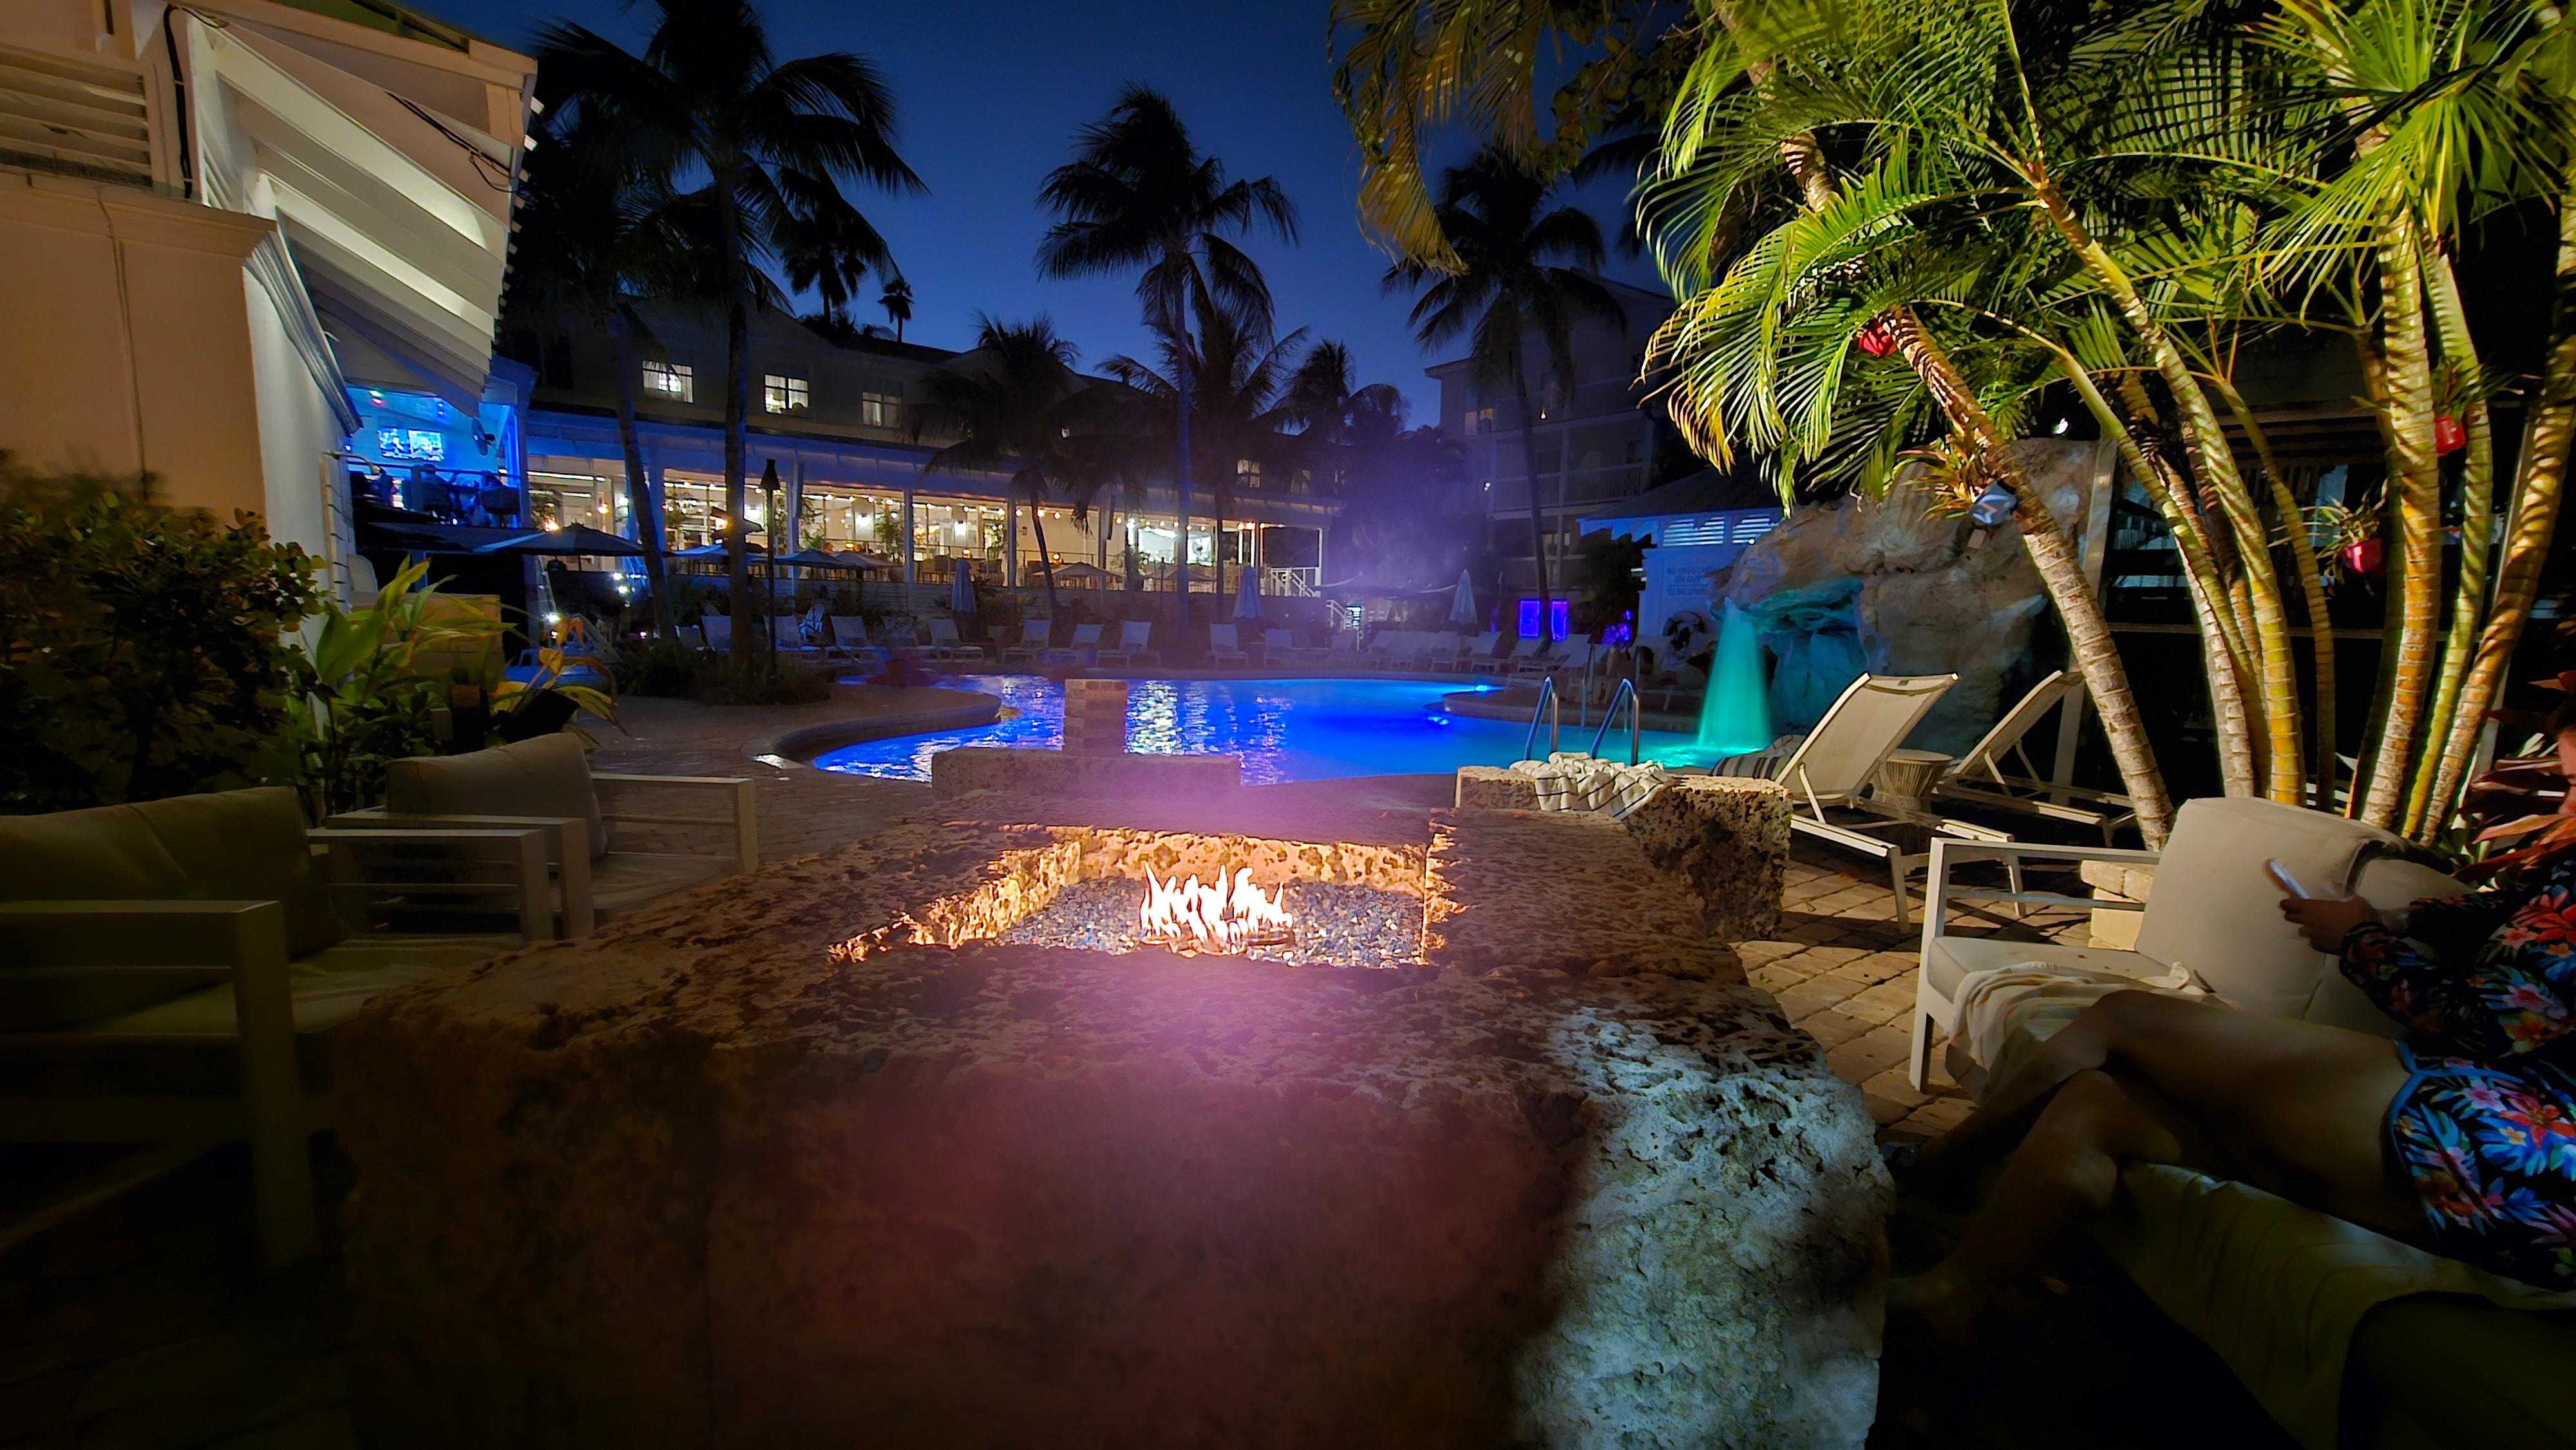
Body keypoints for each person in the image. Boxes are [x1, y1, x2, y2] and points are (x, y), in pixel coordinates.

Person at [1890, 728, 2576, 1342]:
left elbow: (2483, 1026)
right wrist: (2399, 919)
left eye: (2571, 783)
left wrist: (2359, 940)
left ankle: (1941, 1169)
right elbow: (2507, 913)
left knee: (2129, 1017)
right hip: (2471, 1103)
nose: (2558, 793)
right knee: (2100, 1103)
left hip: (2522, 1147)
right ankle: (1952, 1292)